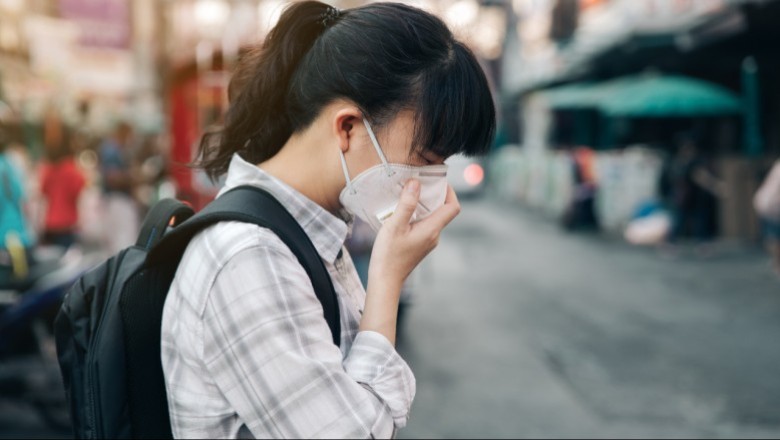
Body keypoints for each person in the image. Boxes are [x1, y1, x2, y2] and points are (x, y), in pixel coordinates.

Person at [161, 2, 495, 438]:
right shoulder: (249, 259)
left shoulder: (303, 229)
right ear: (349, 128)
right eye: (425, 160)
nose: (434, 182)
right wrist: (388, 280)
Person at [39, 114, 86, 249]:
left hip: (50, 222)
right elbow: (79, 190)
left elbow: (43, 191)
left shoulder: (48, 168)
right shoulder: (72, 169)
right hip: (67, 223)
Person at [98, 121, 139, 253]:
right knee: (121, 243)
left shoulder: (116, 149)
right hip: (117, 200)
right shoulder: (112, 150)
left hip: (117, 201)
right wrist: (132, 177)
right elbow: (112, 177)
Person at [754, 159, 780, 275]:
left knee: (772, 236)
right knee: (774, 237)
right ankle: (777, 264)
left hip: (765, 202)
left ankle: (776, 263)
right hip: (773, 205)